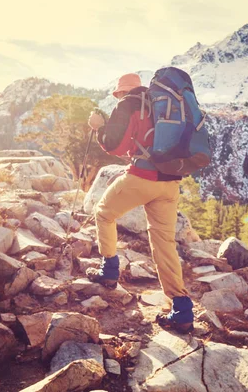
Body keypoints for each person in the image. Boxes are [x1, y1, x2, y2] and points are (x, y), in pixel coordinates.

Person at [86, 73, 194, 333]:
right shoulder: (164, 104)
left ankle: (110, 269)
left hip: (141, 178)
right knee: (164, 241)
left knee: (103, 213)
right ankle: (182, 308)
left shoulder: (129, 104)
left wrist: (99, 127)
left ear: (121, 91)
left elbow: (114, 145)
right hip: (170, 183)